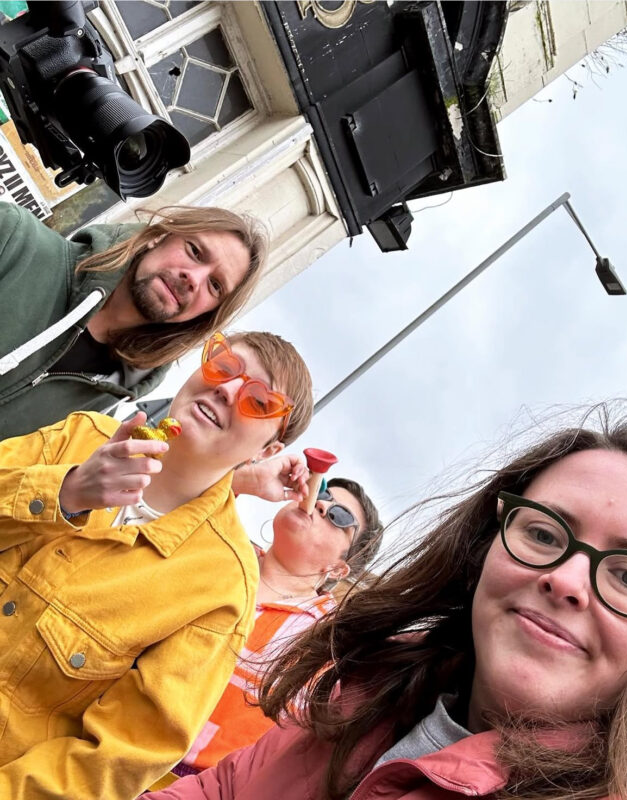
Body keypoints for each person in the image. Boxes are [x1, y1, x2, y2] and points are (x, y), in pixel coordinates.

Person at [145, 407, 627, 800]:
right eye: (543, 533)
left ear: (342, 569)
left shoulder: (329, 642)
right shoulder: (367, 686)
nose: (564, 580)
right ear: (485, 545)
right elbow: (226, 787)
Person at [0, 330, 313, 800]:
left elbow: (112, 761)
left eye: (259, 402)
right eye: (223, 366)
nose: (227, 389)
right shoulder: (82, 435)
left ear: (267, 452)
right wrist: (67, 492)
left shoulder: (221, 587)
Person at [161, 477, 383, 781]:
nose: (321, 504)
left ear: (338, 568)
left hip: (203, 786)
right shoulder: (216, 551)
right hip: (109, 737)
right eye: (322, 493)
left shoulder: (332, 642)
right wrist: (244, 479)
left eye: (339, 517)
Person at [0, 202, 267, 440]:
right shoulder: (14, 237)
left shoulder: (99, 412)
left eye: (215, 286)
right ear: (160, 236)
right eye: (195, 251)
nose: (194, 279)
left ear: (208, 314)